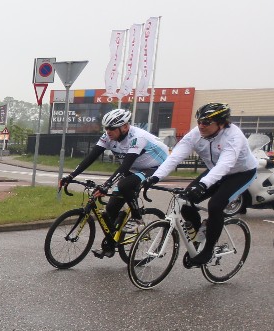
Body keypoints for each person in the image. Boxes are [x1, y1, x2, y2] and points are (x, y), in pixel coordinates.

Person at [143, 102, 257, 268]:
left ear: (221, 123)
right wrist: (155, 177)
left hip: (241, 173)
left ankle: (208, 250)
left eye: (206, 122)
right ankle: (199, 236)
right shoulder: (196, 134)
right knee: (185, 202)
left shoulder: (234, 136)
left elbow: (225, 164)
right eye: (199, 122)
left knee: (215, 205)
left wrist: (202, 185)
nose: (201, 126)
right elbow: (175, 157)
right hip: (214, 171)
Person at [59, 108, 170, 257]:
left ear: (125, 126)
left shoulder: (138, 137)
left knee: (125, 185)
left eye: (112, 128)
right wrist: (71, 176)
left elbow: (125, 166)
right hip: (135, 167)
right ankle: (110, 246)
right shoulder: (107, 136)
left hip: (156, 167)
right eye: (106, 128)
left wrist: (106, 185)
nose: (108, 131)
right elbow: (91, 157)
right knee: (110, 209)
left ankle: (137, 217)